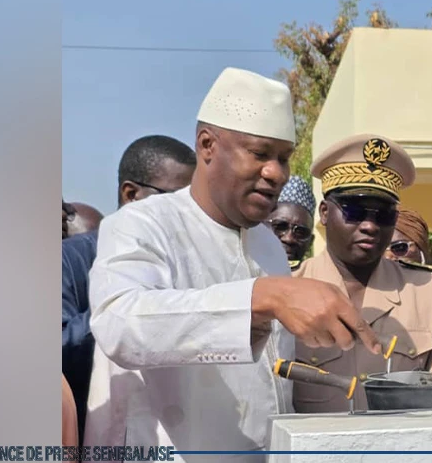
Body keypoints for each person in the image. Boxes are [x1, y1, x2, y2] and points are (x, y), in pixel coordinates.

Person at [83, 67, 381, 461]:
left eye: (284, 158)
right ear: (207, 145)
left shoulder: (269, 247)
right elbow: (119, 324)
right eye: (259, 154)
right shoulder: (141, 223)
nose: (275, 173)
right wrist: (261, 297)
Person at [292, 134, 432, 413]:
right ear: (324, 213)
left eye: (383, 214)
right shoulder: (290, 289)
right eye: (354, 210)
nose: (370, 226)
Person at [62, 134, 196, 445]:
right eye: (176, 200)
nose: (188, 214)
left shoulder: (185, 261)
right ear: (131, 194)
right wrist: (122, 310)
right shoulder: (70, 260)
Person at [266, 175, 316, 270]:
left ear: (310, 242)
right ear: (262, 226)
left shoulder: (318, 282)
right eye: (280, 226)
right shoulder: (241, 274)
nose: (289, 239)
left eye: (301, 232)